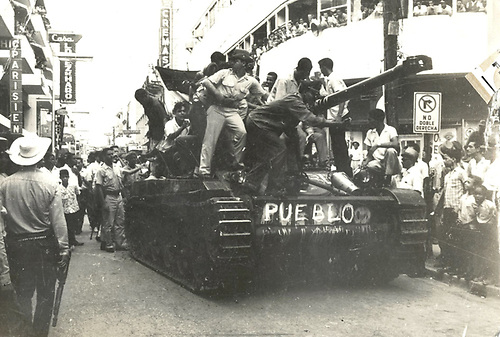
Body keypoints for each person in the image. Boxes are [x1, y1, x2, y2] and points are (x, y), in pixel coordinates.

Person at [0, 135, 70, 337]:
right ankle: (39, 333)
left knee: (22, 293)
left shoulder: (6, 184)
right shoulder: (49, 183)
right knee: (46, 294)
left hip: (16, 246)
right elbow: (58, 221)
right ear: (40, 157)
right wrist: (64, 249)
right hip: (43, 246)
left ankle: (24, 332)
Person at [244, 80, 346, 194]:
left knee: (279, 151)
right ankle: (270, 187)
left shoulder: (298, 102)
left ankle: (257, 183)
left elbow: (293, 131)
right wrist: (336, 123)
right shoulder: (294, 101)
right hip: (259, 122)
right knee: (278, 150)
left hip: (265, 124)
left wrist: (297, 166)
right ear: (305, 92)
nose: (315, 97)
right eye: (314, 94)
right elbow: (312, 120)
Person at [198, 49, 267, 177]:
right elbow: (206, 82)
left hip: (232, 111)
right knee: (210, 139)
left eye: (237, 61)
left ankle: (236, 164)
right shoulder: (224, 73)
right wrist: (218, 95)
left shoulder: (250, 81)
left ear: (244, 64)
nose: (233, 63)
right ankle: (204, 170)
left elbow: (262, 95)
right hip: (217, 109)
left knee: (242, 133)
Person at [268, 58, 313, 170]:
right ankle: (279, 171)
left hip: (288, 118)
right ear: (299, 70)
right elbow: (280, 104)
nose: (306, 77)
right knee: (283, 139)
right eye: (305, 73)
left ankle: (295, 169)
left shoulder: (299, 82)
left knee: (302, 137)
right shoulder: (284, 80)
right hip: (274, 116)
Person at [434, 142, 466, 270]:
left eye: (446, 158)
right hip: (447, 209)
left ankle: (457, 265)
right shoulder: (447, 175)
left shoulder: (461, 173)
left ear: (453, 159)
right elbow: (444, 194)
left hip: (456, 210)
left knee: (456, 238)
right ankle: (448, 262)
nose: (445, 161)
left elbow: (467, 190)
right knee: (446, 236)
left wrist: (461, 209)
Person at [318, 57, 352, 176]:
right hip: (332, 117)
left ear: (324, 67)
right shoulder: (328, 80)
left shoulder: (334, 79)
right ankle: (340, 169)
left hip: (338, 116)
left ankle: (345, 170)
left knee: (339, 145)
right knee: (336, 144)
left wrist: (339, 116)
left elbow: (342, 97)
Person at [95, 147, 127, 252]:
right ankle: (108, 243)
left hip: (118, 196)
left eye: (112, 154)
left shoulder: (116, 167)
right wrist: (103, 202)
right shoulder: (101, 170)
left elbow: (121, 183)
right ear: (104, 157)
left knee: (120, 221)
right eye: (108, 154)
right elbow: (99, 187)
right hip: (109, 196)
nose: (111, 156)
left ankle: (119, 243)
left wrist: (124, 196)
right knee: (108, 222)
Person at [362, 108, 401, 180]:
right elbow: (370, 153)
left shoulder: (390, 129)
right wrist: (365, 162)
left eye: (370, 120)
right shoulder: (370, 133)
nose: (369, 122)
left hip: (392, 164)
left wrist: (378, 145)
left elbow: (395, 143)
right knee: (370, 165)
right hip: (379, 164)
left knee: (391, 151)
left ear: (377, 120)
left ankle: (388, 177)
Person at [59, 169, 84, 248]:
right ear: (60, 178)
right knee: (66, 226)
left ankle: (73, 240)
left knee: (73, 225)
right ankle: (68, 242)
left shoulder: (73, 186)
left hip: (73, 208)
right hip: (64, 210)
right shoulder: (58, 188)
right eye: (63, 177)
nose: (65, 179)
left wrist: (78, 205)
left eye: (66, 177)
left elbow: (78, 194)